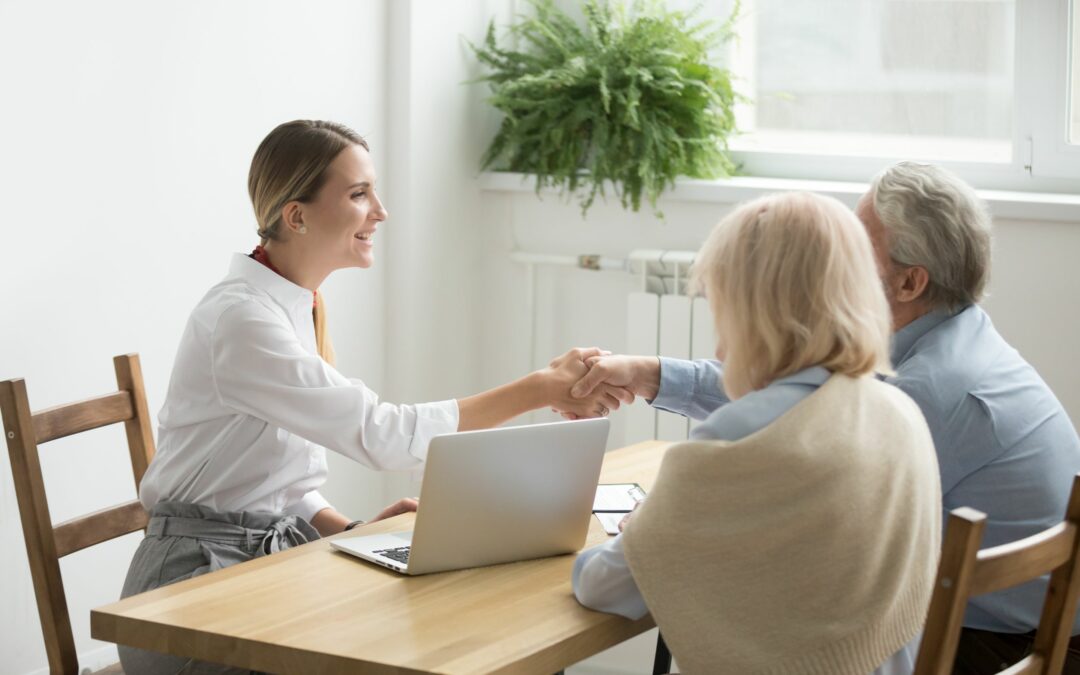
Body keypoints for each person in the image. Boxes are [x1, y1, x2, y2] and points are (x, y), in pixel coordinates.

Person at [119, 120, 629, 675]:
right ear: (297, 215)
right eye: (360, 194)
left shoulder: (296, 306)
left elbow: (273, 482)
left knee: (454, 629)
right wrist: (538, 388)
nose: (380, 212)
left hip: (262, 566)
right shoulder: (242, 321)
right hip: (192, 588)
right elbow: (384, 436)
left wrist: (348, 530)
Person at [571, 163, 1080, 674]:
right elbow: (801, 416)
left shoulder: (923, 392)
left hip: (999, 645)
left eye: (860, 244)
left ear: (909, 282)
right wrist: (655, 375)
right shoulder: (947, 356)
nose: (841, 259)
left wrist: (664, 526)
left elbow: (791, 427)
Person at [571, 191, 942, 674]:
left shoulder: (739, 440)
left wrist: (647, 529)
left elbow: (602, 587)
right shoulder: (899, 411)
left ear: (750, 311)